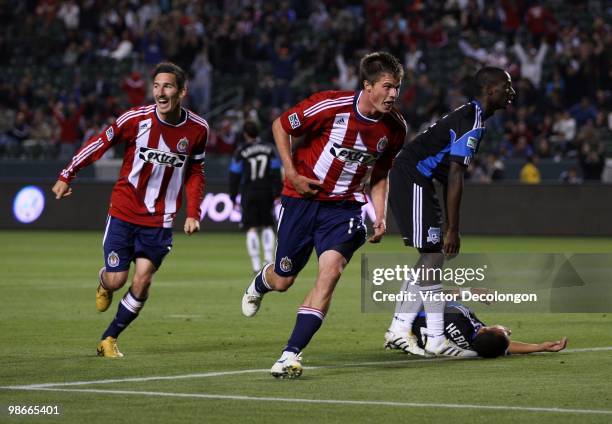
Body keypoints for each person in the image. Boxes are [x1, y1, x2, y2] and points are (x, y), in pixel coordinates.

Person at [241, 51, 407, 379]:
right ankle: (262, 282)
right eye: (387, 87)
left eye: (397, 87)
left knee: (330, 273)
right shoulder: (331, 106)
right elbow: (281, 125)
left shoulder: (395, 129)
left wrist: (380, 215)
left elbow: (380, 175)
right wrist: (291, 172)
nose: (393, 94)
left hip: (343, 208)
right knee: (284, 279)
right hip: (302, 201)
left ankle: (290, 354)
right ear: (368, 85)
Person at [51, 62, 209, 358]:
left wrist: (193, 212)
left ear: (182, 92)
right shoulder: (135, 119)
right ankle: (103, 282)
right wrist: (67, 174)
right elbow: (100, 143)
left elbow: (196, 171)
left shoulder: (198, 129)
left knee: (143, 279)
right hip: (124, 212)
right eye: (157, 86)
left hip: (160, 219)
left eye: (168, 86)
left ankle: (109, 338)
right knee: (117, 279)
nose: (161, 93)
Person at [385, 67, 516, 357]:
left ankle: (406, 330)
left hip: (420, 179)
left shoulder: (472, 115)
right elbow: (455, 175)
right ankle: (426, 336)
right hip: (412, 176)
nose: (512, 93)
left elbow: (448, 173)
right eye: (507, 87)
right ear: (490, 89)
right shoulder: (472, 120)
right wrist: (452, 229)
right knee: (433, 253)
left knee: (430, 254)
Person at [386, 302, 568, 358]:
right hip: (420, 335)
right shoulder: (476, 348)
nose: (508, 331)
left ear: (484, 330)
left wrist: (469, 290)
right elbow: (505, 347)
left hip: (411, 314)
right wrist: (540, 346)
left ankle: (399, 330)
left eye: (503, 331)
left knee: (426, 281)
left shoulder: (462, 316)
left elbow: (434, 295)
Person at [229, 120, 282, 274]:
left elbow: (234, 175)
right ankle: (268, 260)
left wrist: (233, 197)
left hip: (249, 192)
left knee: (251, 228)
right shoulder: (270, 149)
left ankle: (255, 265)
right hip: (266, 191)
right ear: (258, 132)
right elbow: (276, 172)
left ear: (245, 133)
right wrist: (278, 192)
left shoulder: (240, 151)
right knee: (267, 225)